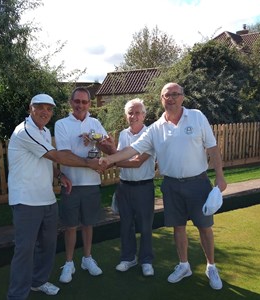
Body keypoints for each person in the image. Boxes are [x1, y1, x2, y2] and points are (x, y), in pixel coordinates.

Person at [99, 83, 227, 290]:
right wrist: (108, 160)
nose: (171, 98)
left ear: (182, 97)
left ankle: (211, 266)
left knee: (205, 227)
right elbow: (131, 150)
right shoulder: (156, 128)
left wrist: (220, 176)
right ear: (161, 99)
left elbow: (212, 147)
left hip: (198, 182)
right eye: (167, 95)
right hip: (171, 185)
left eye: (175, 94)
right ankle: (184, 265)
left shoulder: (197, 116)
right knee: (178, 227)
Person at [7, 93, 103, 299]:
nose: (45, 112)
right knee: (25, 250)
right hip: (26, 200)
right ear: (30, 108)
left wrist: (60, 175)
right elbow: (56, 155)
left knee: (47, 245)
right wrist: (88, 164)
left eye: (49, 109)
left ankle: (38, 282)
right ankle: (17, 295)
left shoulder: (43, 131)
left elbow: (46, 160)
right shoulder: (25, 131)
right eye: (40, 107)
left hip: (47, 199)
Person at [54, 87, 110, 284]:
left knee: (88, 224)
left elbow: (111, 149)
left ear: (89, 104)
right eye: (77, 101)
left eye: (84, 102)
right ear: (71, 102)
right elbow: (64, 156)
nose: (80, 105)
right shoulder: (61, 124)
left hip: (92, 183)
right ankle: (69, 263)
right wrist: (88, 163)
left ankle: (87, 258)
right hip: (71, 184)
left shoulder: (95, 123)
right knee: (70, 226)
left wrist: (101, 141)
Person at [107, 98, 156, 276]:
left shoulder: (150, 133)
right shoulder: (123, 134)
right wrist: (110, 151)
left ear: (144, 115)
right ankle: (128, 258)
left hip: (144, 187)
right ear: (126, 115)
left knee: (145, 226)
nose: (134, 116)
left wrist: (112, 162)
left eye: (137, 112)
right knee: (126, 225)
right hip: (124, 187)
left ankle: (146, 260)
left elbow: (137, 163)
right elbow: (119, 156)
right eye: (130, 113)